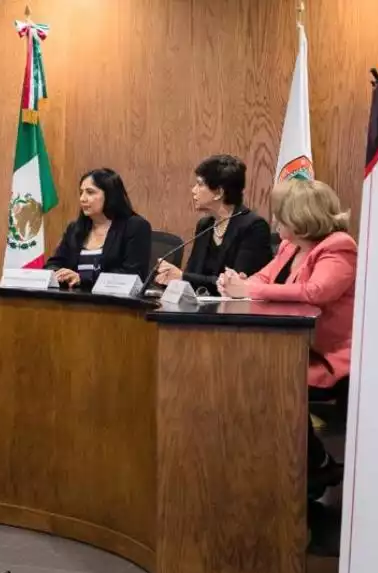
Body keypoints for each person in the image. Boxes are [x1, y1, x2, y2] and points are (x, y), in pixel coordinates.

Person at [218, 178, 355, 498]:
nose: (275, 220)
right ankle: (301, 465)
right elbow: (262, 278)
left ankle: (313, 464)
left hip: (329, 357)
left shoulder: (338, 246)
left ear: (301, 217)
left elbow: (316, 292)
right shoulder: (289, 246)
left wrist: (250, 289)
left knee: (271, 385)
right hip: (292, 349)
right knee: (253, 380)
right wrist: (237, 282)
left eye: (281, 214)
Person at [154, 155, 272, 294]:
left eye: (200, 184)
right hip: (201, 304)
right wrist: (171, 278)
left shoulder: (254, 227)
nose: (193, 190)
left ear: (219, 192)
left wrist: (182, 276)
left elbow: (236, 285)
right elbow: (192, 273)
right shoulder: (205, 225)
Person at [45, 168, 151, 289]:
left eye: (90, 192)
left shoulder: (135, 226)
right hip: (72, 298)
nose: (82, 199)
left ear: (110, 195)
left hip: (112, 299)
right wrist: (58, 274)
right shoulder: (75, 228)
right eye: (81, 193)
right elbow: (54, 264)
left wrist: (83, 279)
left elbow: (132, 274)